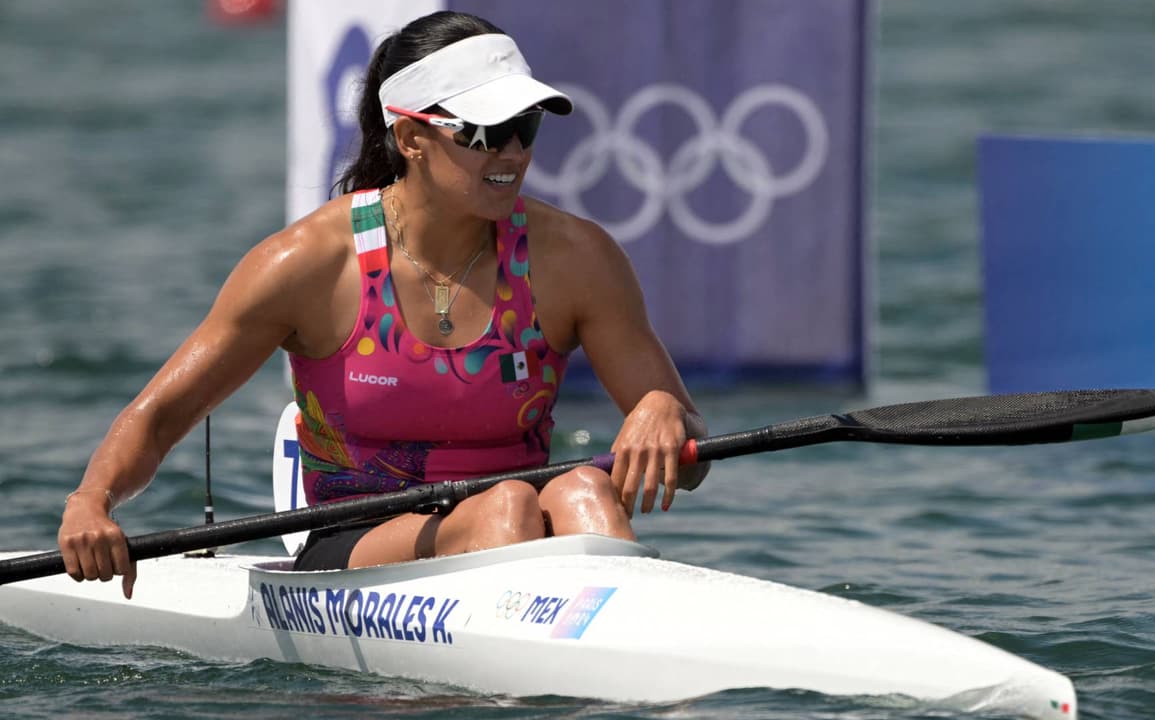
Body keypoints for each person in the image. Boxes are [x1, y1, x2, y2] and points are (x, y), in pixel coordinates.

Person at [57, 10, 708, 598]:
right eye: (485, 132)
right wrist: (91, 502)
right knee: (507, 504)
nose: (513, 152)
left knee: (585, 488)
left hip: (518, 525)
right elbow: (160, 416)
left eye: (525, 126)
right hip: (354, 538)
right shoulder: (309, 264)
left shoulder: (576, 259)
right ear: (411, 137)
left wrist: (662, 412)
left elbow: (690, 465)